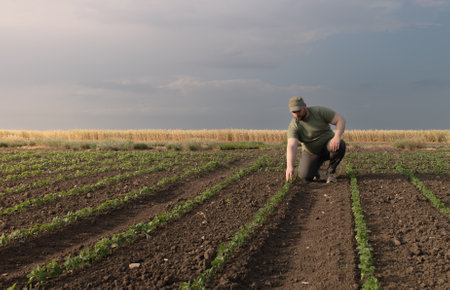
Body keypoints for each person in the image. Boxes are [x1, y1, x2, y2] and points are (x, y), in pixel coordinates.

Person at [285, 96, 346, 183]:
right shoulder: (294, 126)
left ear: (305, 106)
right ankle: (315, 169)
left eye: (299, 111)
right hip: (311, 152)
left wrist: (337, 137)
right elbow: (291, 145)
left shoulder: (319, 111)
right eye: (294, 112)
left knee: (340, 145)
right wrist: (289, 166)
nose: (297, 114)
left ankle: (330, 173)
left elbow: (340, 120)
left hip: (328, 146)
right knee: (304, 177)